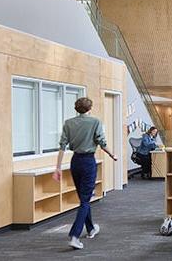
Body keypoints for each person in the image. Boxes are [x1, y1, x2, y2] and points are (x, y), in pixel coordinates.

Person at [53, 97, 117, 250]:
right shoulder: (95, 122)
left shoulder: (68, 123)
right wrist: (112, 155)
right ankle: (74, 236)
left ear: (76, 109)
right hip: (88, 162)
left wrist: (58, 167)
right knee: (85, 200)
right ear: (90, 108)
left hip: (75, 162)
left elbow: (62, 146)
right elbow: (102, 142)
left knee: (83, 198)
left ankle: (91, 228)